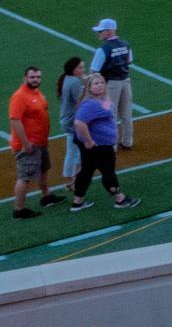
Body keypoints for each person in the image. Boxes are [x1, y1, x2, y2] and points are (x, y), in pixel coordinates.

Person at [67, 74, 138, 210]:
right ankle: (120, 199)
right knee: (108, 171)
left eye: (102, 83)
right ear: (89, 88)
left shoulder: (101, 100)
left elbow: (106, 108)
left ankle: (77, 202)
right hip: (99, 146)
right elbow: (79, 123)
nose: (100, 85)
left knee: (86, 171)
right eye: (96, 84)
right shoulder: (91, 104)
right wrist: (89, 141)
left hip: (98, 145)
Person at [9, 65, 56, 218]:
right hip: (28, 145)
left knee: (43, 168)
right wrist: (26, 143)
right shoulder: (19, 96)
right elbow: (15, 121)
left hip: (40, 142)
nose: (35, 80)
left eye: (38, 77)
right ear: (25, 78)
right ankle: (19, 209)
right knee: (25, 177)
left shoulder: (36, 92)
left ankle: (46, 196)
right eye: (32, 77)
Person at [88, 19, 136, 148]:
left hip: (111, 86)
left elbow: (94, 70)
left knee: (110, 114)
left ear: (109, 32)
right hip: (125, 82)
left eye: (101, 31)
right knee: (126, 114)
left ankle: (111, 145)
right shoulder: (125, 44)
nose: (99, 33)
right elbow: (130, 61)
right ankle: (127, 142)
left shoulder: (103, 50)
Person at [55, 57, 87, 185]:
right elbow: (80, 102)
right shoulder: (74, 82)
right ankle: (72, 180)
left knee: (73, 151)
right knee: (75, 152)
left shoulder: (68, 79)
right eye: (80, 67)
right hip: (72, 121)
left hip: (67, 120)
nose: (83, 69)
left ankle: (71, 179)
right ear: (73, 70)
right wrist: (87, 87)